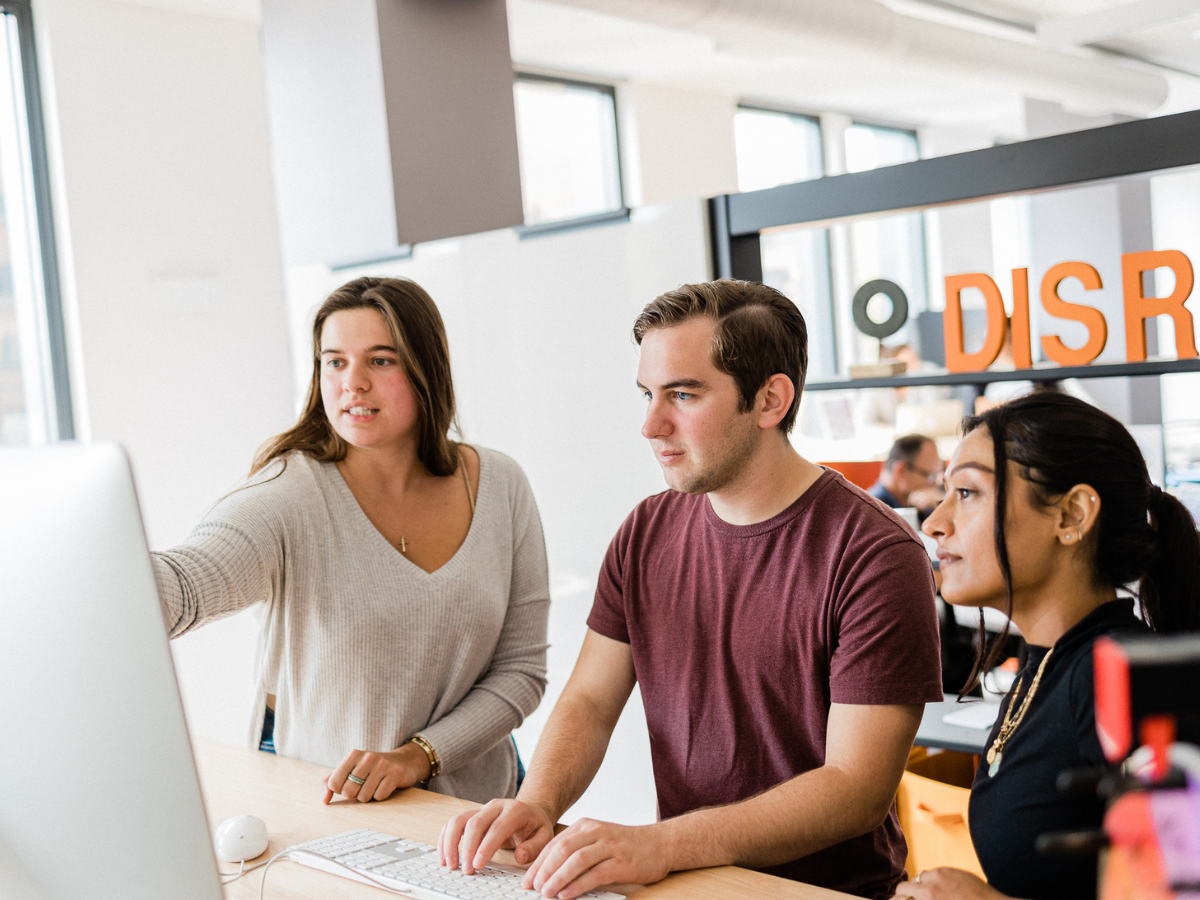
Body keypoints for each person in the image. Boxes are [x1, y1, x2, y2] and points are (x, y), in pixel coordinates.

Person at [439, 279, 943, 899]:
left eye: (683, 394)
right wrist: (537, 801)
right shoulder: (647, 530)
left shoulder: (875, 554)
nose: (651, 424)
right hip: (684, 885)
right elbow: (591, 703)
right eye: (649, 393)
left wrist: (661, 844)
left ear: (770, 400)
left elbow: (855, 788)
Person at [154, 276, 550, 804]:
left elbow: (521, 671)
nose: (352, 383)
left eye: (380, 360)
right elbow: (188, 585)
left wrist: (418, 756)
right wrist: (103, 576)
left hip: (478, 807)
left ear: (426, 370)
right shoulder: (286, 493)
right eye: (334, 361)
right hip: (334, 808)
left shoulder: (501, 484)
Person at [893, 392, 1200, 900]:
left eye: (967, 493)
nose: (935, 522)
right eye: (945, 491)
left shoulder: (1110, 681)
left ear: (1071, 515)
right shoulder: (1047, 661)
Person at [870, 433, 944, 517]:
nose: (936, 483)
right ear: (900, 471)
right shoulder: (874, 513)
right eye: (930, 475)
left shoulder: (919, 506)